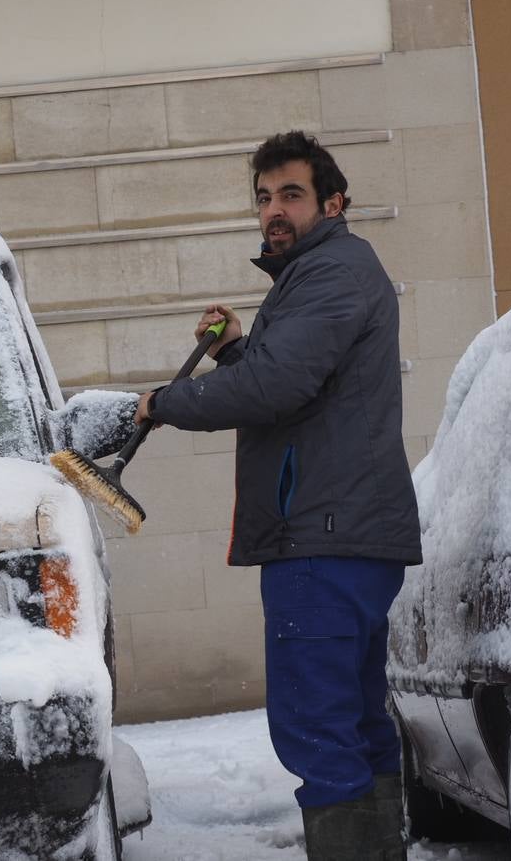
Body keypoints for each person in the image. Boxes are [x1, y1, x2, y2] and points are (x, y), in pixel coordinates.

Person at [134, 131, 421, 860]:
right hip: (344, 532)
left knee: (317, 728)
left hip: (321, 535)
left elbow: (275, 388)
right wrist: (233, 348)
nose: (272, 211)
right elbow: (294, 382)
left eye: (289, 194)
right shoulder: (321, 276)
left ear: (332, 202)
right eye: (262, 198)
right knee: (353, 723)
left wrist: (161, 403)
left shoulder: (329, 272)